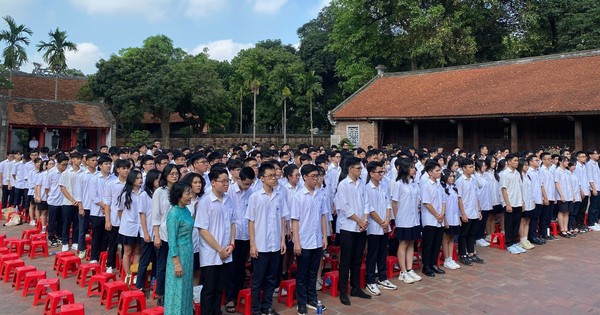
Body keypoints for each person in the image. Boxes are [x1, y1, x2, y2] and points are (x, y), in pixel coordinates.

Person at [246, 164, 286, 315]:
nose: (273, 178)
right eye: (270, 176)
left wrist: (282, 240)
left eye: (274, 175)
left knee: (271, 278)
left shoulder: (279, 196)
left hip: (275, 244)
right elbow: (251, 221)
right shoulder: (255, 197)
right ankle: (256, 309)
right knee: (258, 279)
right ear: (262, 178)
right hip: (260, 245)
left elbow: (282, 219)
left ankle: (267, 306)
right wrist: (252, 245)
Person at [291, 164, 329, 315]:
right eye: (313, 176)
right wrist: (297, 242)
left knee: (313, 272)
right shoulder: (298, 196)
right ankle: (301, 302)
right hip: (304, 240)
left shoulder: (320, 194)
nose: (316, 179)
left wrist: (325, 236)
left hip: (317, 240)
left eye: (317, 176)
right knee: (302, 273)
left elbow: (323, 216)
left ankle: (312, 298)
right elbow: (294, 220)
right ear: (305, 177)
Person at [196, 168, 235, 315]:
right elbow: (203, 230)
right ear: (213, 182)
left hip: (226, 251)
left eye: (228, 181)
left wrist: (231, 244)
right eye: (223, 181)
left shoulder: (228, 200)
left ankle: (217, 311)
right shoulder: (205, 202)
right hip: (211, 254)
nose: (226, 184)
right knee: (209, 289)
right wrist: (219, 249)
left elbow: (232, 223)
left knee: (220, 287)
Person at [335, 157, 371, 305]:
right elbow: (345, 207)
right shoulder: (343, 185)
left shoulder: (362, 184)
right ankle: (343, 291)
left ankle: (356, 287)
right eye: (358, 168)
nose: (360, 171)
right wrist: (359, 220)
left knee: (357, 259)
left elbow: (366, 203)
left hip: (361, 227)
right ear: (350, 168)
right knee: (346, 260)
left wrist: (365, 219)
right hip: (348, 228)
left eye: (361, 168)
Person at [224, 167, 255, 313]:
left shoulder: (251, 193)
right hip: (232, 236)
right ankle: (229, 298)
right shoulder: (229, 192)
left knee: (241, 267)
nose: (248, 186)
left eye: (250, 184)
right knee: (231, 269)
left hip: (246, 236)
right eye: (246, 183)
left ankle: (238, 295)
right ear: (239, 179)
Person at [364, 161, 397, 296]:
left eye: (383, 172)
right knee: (372, 254)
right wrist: (381, 222)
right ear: (372, 174)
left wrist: (387, 220)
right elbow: (370, 209)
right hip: (373, 227)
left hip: (384, 225)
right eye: (379, 172)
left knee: (383, 253)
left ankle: (382, 278)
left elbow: (388, 204)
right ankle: (370, 280)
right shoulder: (367, 188)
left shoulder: (383, 186)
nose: (382, 175)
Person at [164, 181, 195, 315]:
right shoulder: (174, 213)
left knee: (186, 289)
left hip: (188, 252)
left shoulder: (186, 210)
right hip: (178, 254)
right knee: (177, 290)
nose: (190, 196)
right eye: (187, 193)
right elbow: (172, 240)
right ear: (178, 195)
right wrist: (176, 263)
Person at [152, 164, 180, 306]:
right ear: (165, 176)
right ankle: (161, 293)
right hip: (164, 234)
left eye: (176, 173)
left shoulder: (181, 190)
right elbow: (155, 215)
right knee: (163, 265)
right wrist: (156, 235)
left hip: (179, 234)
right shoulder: (160, 192)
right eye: (171, 174)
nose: (175, 176)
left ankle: (174, 291)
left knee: (177, 265)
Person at [392, 159, 422, 284]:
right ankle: (403, 271)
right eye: (411, 167)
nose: (414, 170)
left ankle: (409, 269)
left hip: (414, 218)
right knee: (403, 243)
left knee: (411, 243)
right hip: (403, 219)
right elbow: (394, 203)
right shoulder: (398, 184)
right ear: (405, 169)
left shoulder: (414, 184)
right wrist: (397, 219)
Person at [456, 159, 485, 265]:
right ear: (463, 168)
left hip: (474, 210)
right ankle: (463, 254)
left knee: (472, 234)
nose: (472, 169)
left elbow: (476, 195)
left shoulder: (473, 179)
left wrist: (479, 210)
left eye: (473, 167)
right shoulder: (460, 181)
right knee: (464, 234)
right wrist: (463, 213)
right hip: (465, 211)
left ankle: (471, 253)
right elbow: (459, 198)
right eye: (470, 167)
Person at [117, 170, 143, 285]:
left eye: (141, 178)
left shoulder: (144, 193)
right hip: (128, 226)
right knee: (127, 251)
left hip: (140, 226)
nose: (140, 180)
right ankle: (127, 274)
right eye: (137, 178)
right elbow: (120, 211)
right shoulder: (125, 194)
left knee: (138, 250)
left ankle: (135, 274)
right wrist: (125, 222)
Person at [136, 169, 160, 290]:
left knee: (157, 259)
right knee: (145, 260)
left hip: (159, 233)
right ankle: (139, 285)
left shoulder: (161, 193)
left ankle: (154, 282)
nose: (159, 181)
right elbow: (142, 215)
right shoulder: (144, 195)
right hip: (148, 232)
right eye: (157, 179)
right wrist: (145, 232)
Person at [420, 161, 446, 276]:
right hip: (430, 219)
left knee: (437, 243)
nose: (439, 172)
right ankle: (426, 266)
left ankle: (434, 264)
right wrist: (437, 215)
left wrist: (442, 214)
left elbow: (444, 201)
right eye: (437, 170)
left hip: (439, 219)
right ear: (430, 172)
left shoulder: (439, 184)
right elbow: (427, 203)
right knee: (428, 244)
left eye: (440, 170)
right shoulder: (426, 185)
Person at [501, 154, 526, 254]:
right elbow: (504, 189)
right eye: (515, 160)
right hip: (509, 203)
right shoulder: (505, 173)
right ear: (509, 161)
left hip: (518, 202)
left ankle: (515, 242)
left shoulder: (517, 173)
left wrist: (522, 201)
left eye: (517, 161)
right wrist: (507, 204)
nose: (517, 162)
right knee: (509, 224)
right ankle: (509, 243)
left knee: (516, 223)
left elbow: (520, 188)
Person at [60, 152, 82, 252]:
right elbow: (62, 187)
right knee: (66, 223)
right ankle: (65, 242)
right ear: (72, 160)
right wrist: (72, 199)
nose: (79, 160)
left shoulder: (84, 172)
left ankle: (75, 242)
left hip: (80, 203)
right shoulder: (66, 173)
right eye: (77, 158)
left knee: (77, 223)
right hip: (68, 202)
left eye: (80, 158)